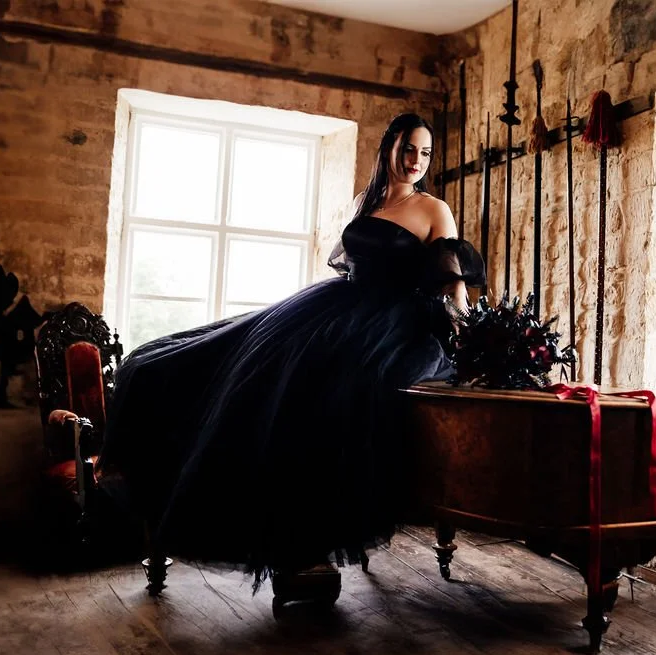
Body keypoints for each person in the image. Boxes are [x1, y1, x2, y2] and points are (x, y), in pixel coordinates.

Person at [97, 113, 485, 591]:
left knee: (333, 389)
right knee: (218, 360)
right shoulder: (368, 200)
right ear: (389, 148)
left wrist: (470, 334)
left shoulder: (433, 208)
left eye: (425, 153)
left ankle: (309, 538)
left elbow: (453, 285)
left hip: (397, 322)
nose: (415, 161)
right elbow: (352, 263)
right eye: (408, 149)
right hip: (344, 305)